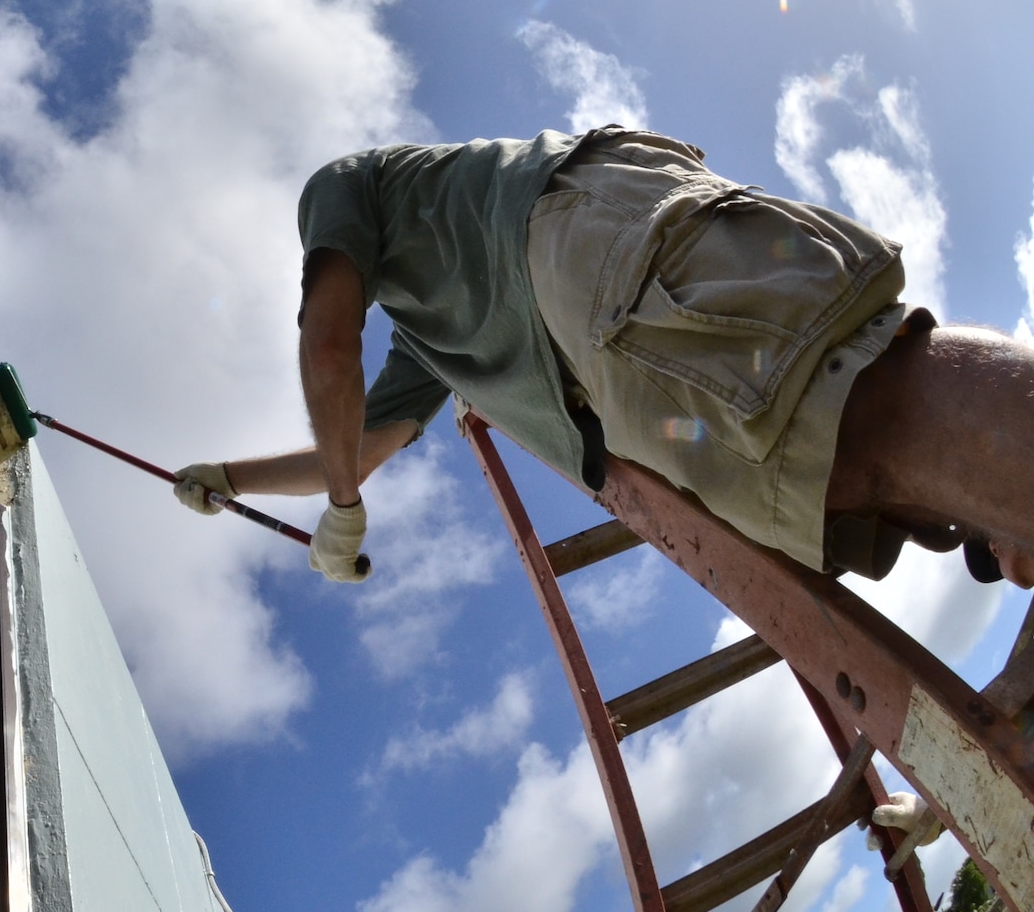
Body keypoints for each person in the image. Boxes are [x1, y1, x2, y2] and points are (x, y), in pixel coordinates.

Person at [172, 127, 1034, 591]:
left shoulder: (342, 187)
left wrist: (342, 509)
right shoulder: (435, 336)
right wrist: (232, 477)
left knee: (848, 395)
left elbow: (327, 348)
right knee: (826, 472)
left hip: (579, 237)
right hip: (584, 294)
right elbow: (358, 444)